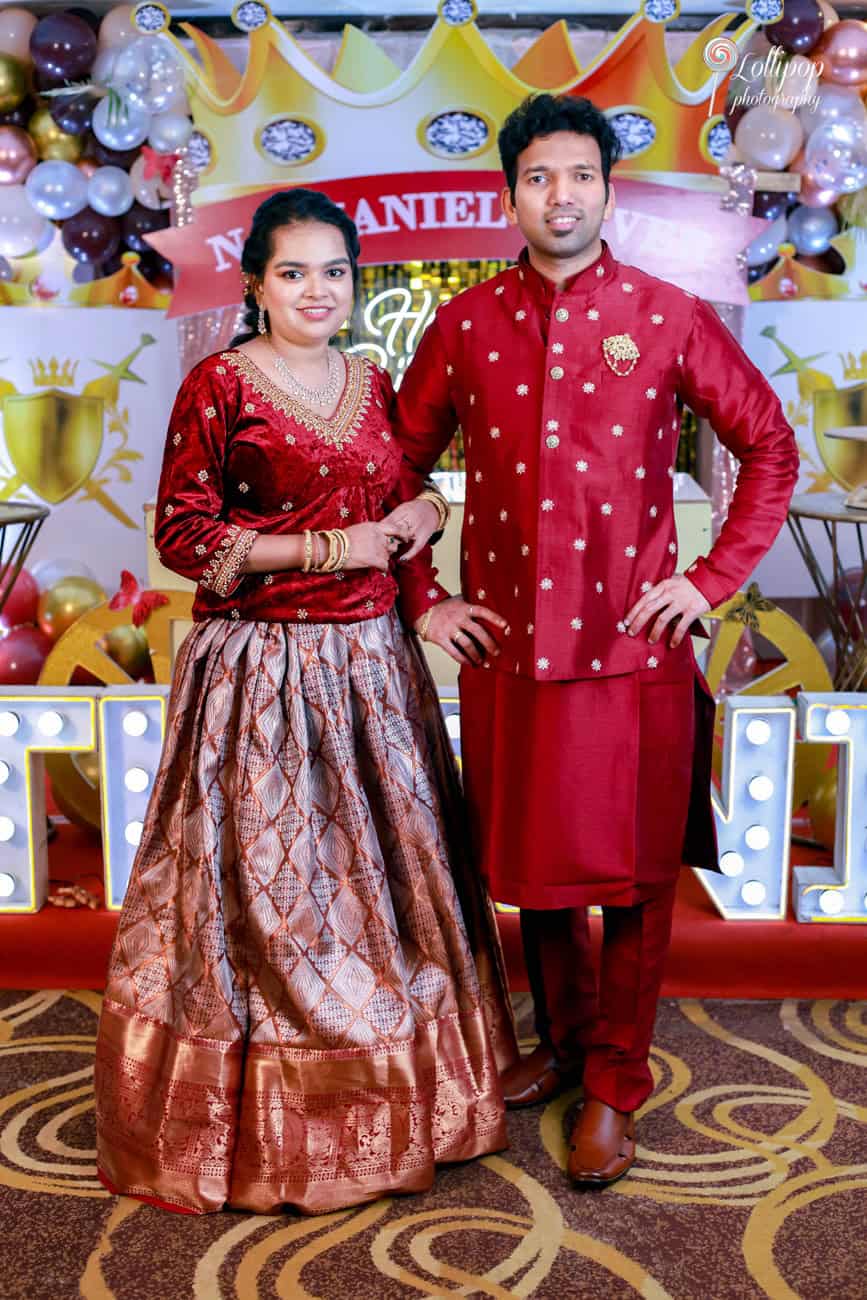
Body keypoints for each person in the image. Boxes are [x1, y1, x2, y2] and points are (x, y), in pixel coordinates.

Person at [391, 94, 800, 1187]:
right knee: (536, 870)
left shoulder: (665, 314)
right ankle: (566, 1041)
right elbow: (392, 467)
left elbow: (769, 445)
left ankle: (616, 1078)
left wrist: (709, 580)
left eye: (578, 175)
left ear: (607, 188)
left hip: (635, 654)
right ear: (510, 193)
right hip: (509, 654)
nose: (559, 194)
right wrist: (424, 592)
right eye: (538, 177)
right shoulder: (466, 324)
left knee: (632, 881)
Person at [93, 188, 517, 1216]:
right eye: (294, 271)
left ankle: (405, 1090)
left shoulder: (372, 384)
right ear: (255, 283)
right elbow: (183, 535)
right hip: (263, 676)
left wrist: (420, 510)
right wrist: (331, 547)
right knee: (271, 900)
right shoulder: (219, 384)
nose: (317, 289)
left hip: (374, 671)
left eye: (336, 271)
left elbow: (400, 493)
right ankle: (271, 1119)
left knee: (388, 893)